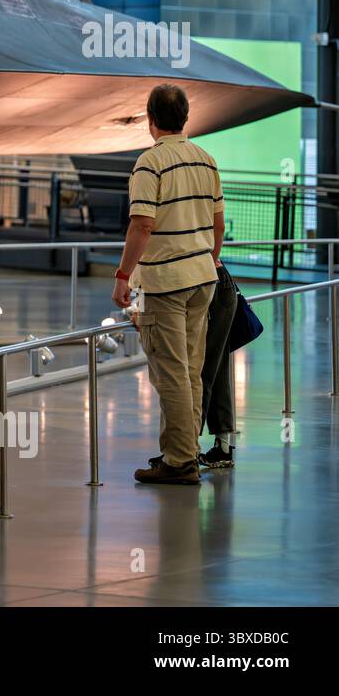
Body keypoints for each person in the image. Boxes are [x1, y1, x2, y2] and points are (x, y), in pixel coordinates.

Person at [113, 83, 224, 485]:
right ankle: (184, 451)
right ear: (186, 118)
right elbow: (218, 223)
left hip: (167, 283)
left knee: (171, 372)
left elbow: (142, 222)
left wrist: (123, 275)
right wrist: (208, 260)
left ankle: (180, 462)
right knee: (191, 370)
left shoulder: (150, 163)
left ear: (151, 119)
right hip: (202, 279)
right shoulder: (206, 160)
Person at [199, 257, 238, 468]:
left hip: (203, 280)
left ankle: (185, 449)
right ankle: (222, 446)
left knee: (201, 370)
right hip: (218, 279)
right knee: (216, 366)